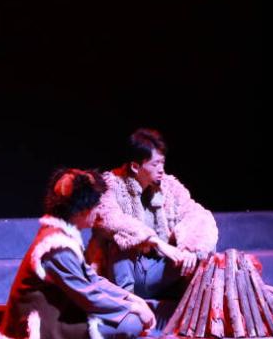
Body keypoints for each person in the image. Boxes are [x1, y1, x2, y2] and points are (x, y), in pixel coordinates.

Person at [0, 168, 181, 339]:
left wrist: (131, 298)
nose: (99, 212)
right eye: (96, 205)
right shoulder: (56, 246)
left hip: (60, 312)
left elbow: (92, 279)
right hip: (40, 327)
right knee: (131, 322)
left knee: (130, 317)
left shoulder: (62, 236)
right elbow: (88, 296)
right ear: (82, 211)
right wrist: (132, 307)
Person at [87, 129, 218, 318]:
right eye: (155, 164)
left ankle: (193, 314)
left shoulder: (169, 186)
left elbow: (196, 214)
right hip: (126, 274)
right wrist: (155, 241)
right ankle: (126, 308)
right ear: (135, 166)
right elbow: (111, 219)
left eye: (162, 162)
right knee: (120, 240)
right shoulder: (112, 185)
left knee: (200, 254)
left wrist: (190, 248)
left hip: (158, 272)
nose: (161, 169)